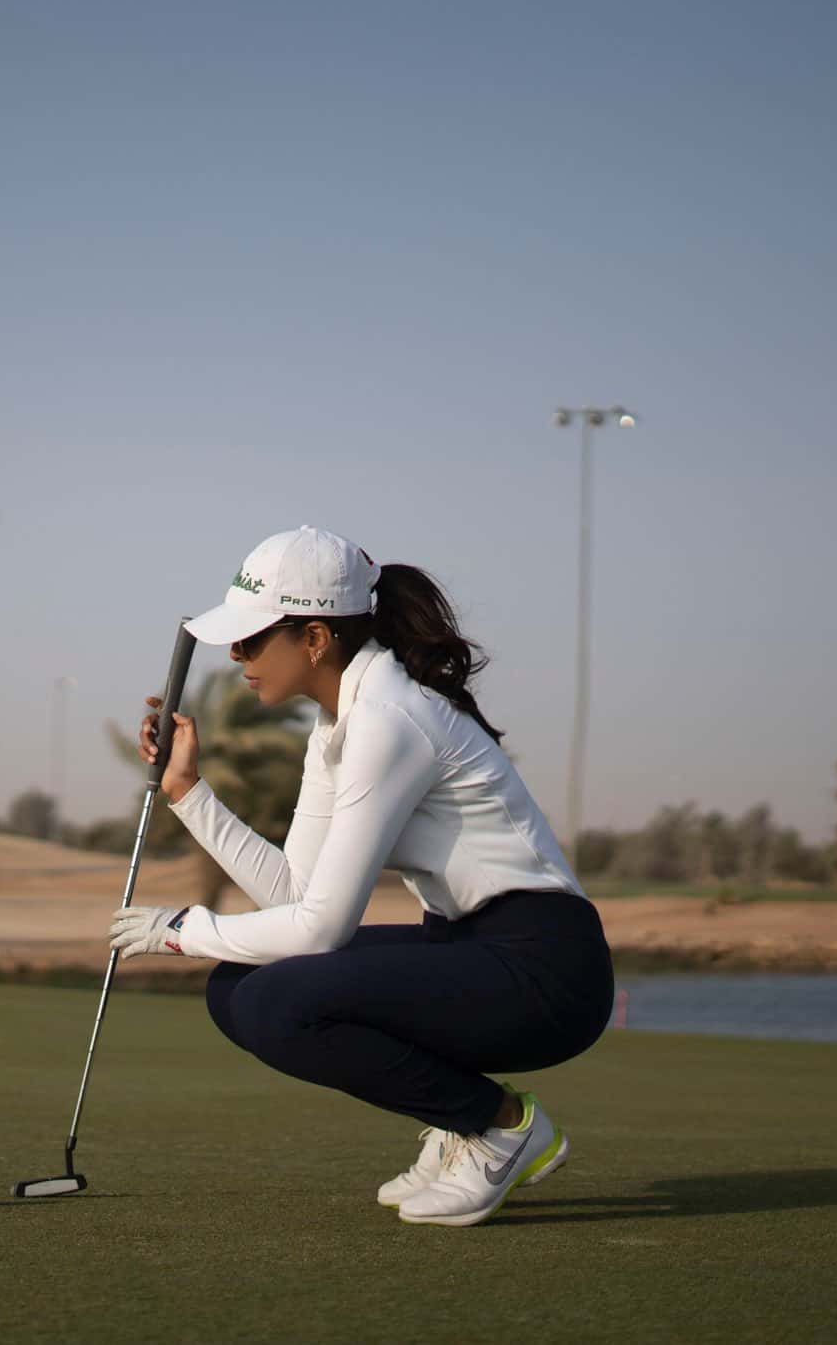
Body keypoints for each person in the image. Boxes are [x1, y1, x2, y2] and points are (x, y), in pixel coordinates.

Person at [107, 525, 614, 1228]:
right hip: (469, 950)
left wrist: (183, 933)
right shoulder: (340, 722)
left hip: (546, 972)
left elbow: (321, 927)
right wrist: (189, 793)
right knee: (239, 985)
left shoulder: (388, 719)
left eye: (253, 639)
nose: (235, 655)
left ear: (315, 639)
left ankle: (497, 1127)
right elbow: (294, 896)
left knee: (274, 1000)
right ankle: (467, 1122)